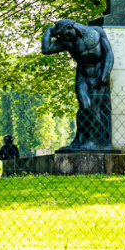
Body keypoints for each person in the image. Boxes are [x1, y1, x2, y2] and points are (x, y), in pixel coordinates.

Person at [41, 19, 114, 151]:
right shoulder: (67, 41)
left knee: (94, 108)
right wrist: (48, 31)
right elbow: (46, 49)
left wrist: (106, 73)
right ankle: (79, 138)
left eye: (66, 33)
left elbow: (108, 52)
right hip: (82, 76)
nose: (66, 37)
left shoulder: (96, 32)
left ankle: (92, 140)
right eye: (62, 36)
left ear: (71, 26)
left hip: (99, 75)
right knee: (84, 106)